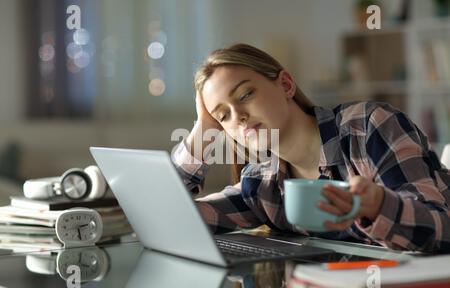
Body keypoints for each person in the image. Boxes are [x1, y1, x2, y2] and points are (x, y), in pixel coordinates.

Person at [171, 43, 450, 253]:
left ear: (285, 84)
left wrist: (379, 206)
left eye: (245, 94)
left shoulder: (368, 128)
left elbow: (441, 227)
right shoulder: (262, 186)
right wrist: (203, 131)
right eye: (223, 116)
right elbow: (173, 216)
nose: (238, 116)